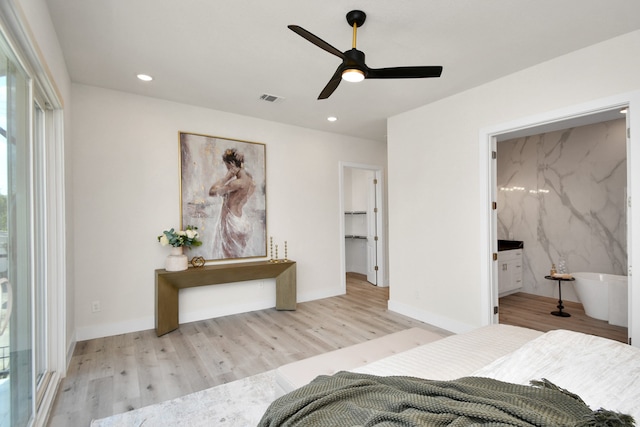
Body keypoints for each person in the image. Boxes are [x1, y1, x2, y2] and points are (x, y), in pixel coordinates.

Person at [209, 148, 256, 258]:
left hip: (231, 223)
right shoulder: (250, 181)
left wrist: (227, 177)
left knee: (228, 258)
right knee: (237, 258)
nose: (227, 168)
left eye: (227, 166)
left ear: (231, 164)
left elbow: (212, 192)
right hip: (242, 221)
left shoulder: (236, 183)